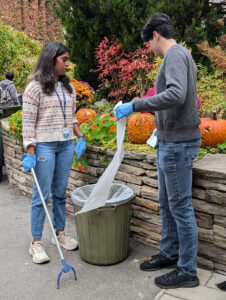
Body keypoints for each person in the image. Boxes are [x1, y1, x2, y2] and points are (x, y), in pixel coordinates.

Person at [115, 13, 201, 289]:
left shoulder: (174, 55)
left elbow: (176, 94)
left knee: (180, 207)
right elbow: (181, 100)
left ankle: (187, 270)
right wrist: (157, 124)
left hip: (177, 145)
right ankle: (169, 253)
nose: (149, 51)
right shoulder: (180, 55)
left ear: (156, 35)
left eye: (149, 44)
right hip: (169, 140)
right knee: (167, 203)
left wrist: (137, 105)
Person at [21, 42, 86, 264]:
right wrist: (30, 152)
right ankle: (36, 242)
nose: (68, 64)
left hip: (66, 145)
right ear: (51, 60)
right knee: (41, 195)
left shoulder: (69, 87)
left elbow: (72, 116)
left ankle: (60, 232)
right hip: (44, 147)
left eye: (68, 59)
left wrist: (80, 136)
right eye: (64, 60)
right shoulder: (34, 88)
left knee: (60, 192)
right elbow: (28, 125)